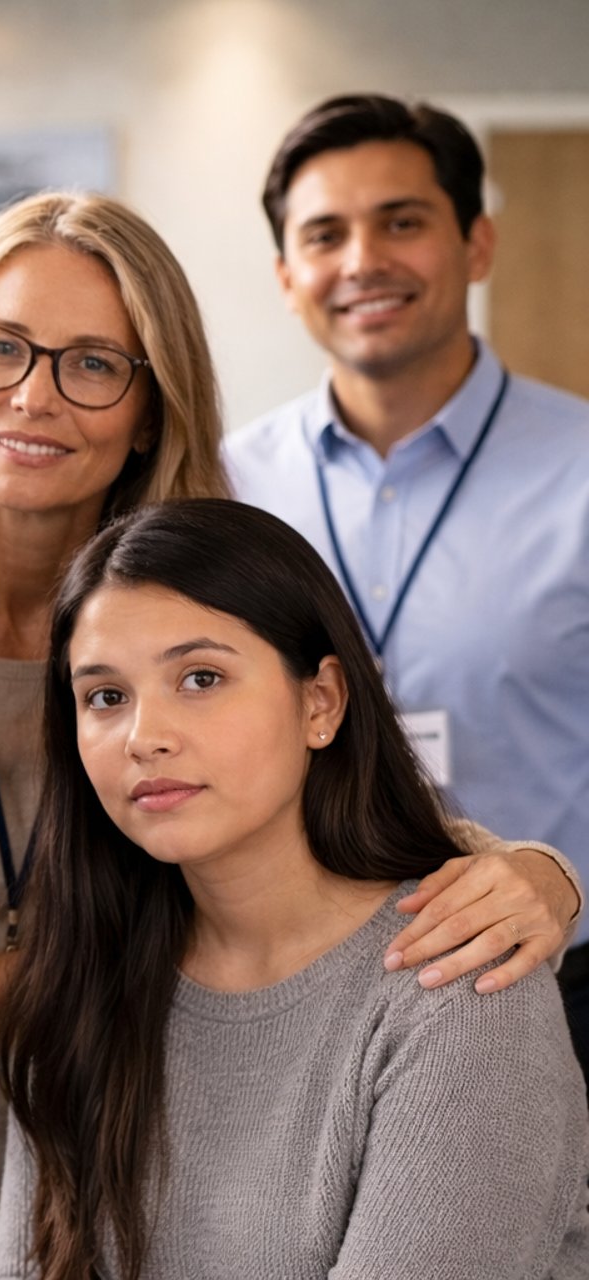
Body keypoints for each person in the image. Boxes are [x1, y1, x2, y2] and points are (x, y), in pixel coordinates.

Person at [0, 191, 579, 1280]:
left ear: (150, 402)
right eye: (0, 349)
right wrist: (147, 957)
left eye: (92, 363)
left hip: (132, 1134)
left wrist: (532, 872)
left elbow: (317, 792)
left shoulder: (199, 584)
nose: (34, 394)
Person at [0, 498, 589, 1279]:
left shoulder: (460, 987)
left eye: (200, 678)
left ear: (322, 702)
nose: (145, 736)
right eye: (106, 696)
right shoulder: (80, 985)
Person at [226, 94, 589, 1065]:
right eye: (324, 234)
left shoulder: (582, 468)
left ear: (476, 244)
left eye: (402, 222)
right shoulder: (225, 489)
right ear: (286, 275)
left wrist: (569, 879)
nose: (361, 262)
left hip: (558, 983)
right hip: (296, 1001)